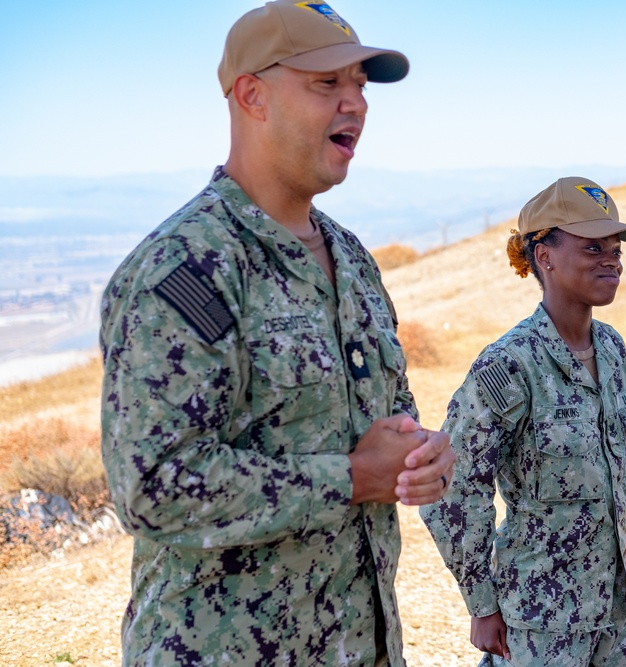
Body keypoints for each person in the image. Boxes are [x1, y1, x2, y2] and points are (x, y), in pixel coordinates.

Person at [99, 2, 455, 665]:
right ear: (252, 95)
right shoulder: (187, 269)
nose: (357, 103)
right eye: (328, 83)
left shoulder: (351, 259)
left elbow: (385, 424)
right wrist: (351, 478)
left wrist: (418, 455)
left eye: (361, 85)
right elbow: (153, 485)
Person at [420, 177, 626, 666]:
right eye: (593, 248)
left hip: (616, 615)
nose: (612, 260)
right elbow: (453, 486)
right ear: (544, 256)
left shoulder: (611, 350)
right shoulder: (510, 364)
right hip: (541, 627)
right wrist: (481, 604)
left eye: (615, 249)